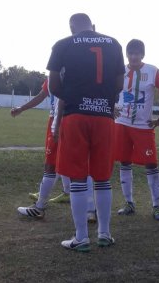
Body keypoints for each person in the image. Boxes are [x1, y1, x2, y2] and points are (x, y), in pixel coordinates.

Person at [47, 13, 125, 252]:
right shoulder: (113, 43)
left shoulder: (62, 44)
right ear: (93, 26)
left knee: (78, 177)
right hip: (104, 116)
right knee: (102, 177)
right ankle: (104, 233)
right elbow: (119, 84)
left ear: (72, 28)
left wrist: (72, 98)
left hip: (75, 115)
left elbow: (52, 85)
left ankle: (81, 237)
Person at [115, 39, 159, 221]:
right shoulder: (120, 69)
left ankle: (157, 206)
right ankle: (129, 203)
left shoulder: (152, 71)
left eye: (137, 53)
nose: (134, 56)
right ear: (127, 54)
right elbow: (107, 87)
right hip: (121, 123)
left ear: (143, 54)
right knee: (124, 161)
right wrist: (111, 105)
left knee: (151, 164)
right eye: (131, 53)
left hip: (143, 126)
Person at [13, 79, 71, 219]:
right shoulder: (53, 75)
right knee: (71, 163)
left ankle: (39, 207)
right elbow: (41, 95)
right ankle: (89, 209)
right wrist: (22, 108)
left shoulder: (64, 71)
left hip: (61, 120)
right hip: (63, 119)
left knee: (50, 165)